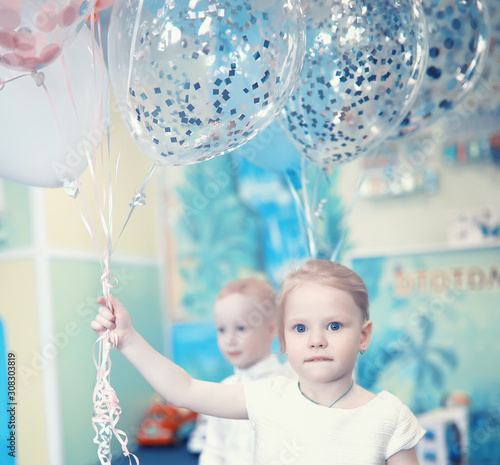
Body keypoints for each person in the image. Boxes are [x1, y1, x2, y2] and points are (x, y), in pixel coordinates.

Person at [91, 259, 425, 464]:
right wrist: (129, 338)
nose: (316, 339)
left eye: (334, 325)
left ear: (364, 336)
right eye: (299, 327)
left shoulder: (390, 418)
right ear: (282, 338)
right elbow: (185, 389)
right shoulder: (266, 396)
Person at [190, 277, 294, 464]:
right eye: (221, 330)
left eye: (240, 328)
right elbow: (214, 451)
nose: (229, 339)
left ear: (272, 329)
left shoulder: (288, 383)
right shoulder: (223, 389)